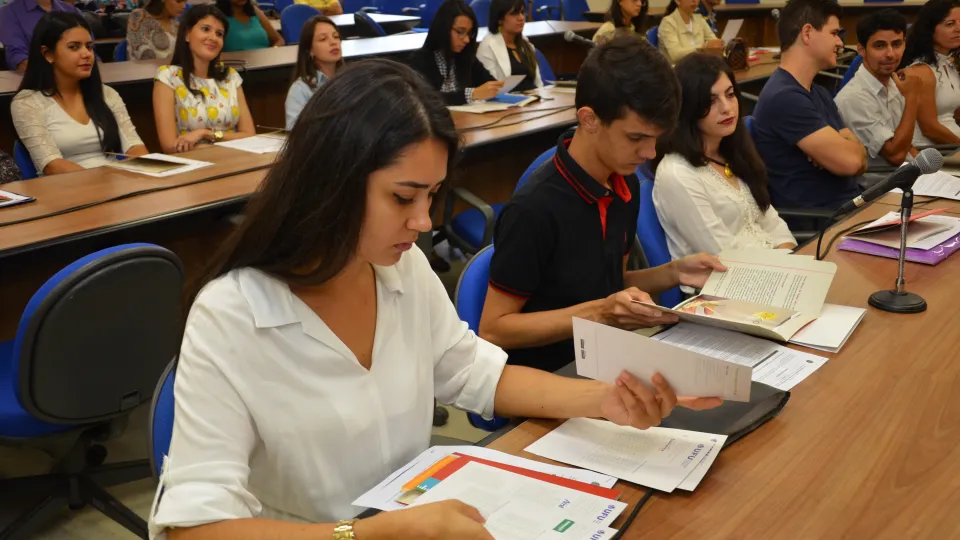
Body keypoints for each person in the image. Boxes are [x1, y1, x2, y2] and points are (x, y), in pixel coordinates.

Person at [146, 58, 722, 540]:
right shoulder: (232, 314)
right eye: (403, 197)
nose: (424, 222)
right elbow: (195, 528)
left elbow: (477, 374)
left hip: (410, 514)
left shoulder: (399, 268)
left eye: (433, 195)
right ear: (332, 184)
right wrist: (375, 533)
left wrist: (606, 399)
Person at [478, 36, 726, 374]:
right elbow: (494, 329)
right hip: (550, 378)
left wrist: (674, 272)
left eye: (657, 138)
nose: (649, 154)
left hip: (607, 361)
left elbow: (609, 284)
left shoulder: (622, 184)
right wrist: (599, 313)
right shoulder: (534, 209)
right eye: (636, 138)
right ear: (589, 119)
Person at [653, 54, 796, 260]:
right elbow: (725, 255)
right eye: (711, 101)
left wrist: (792, 258)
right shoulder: (676, 173)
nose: (727, 108)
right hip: (723, 285)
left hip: (773, 270)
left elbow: (772, 222)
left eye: (730, 95)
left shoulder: (732, 151)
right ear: (689, 108)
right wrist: (787, 266)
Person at [751, 0, 866, 212]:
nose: (840, 43)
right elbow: (851, 162)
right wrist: (842, 146)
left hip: (851, 210)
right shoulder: (784, 97)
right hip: (822, 226)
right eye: (834, 33)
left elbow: (861, 160)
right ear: (807, 33)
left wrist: (838, 148)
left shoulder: (818, 92)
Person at [12, 12, 148, 175]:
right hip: (67, 190)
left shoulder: (107, 94)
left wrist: (150, 171)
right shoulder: (27, 102)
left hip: (114, 183)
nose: (86, 54)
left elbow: (134, 146)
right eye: (74, 47)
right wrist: (104, 183)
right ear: (48, 54)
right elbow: (52, 165)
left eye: (89, 47)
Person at [153, 5, 256, 154]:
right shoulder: (168, 77)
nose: (213, 38)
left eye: (219, 33)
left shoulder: (230, 77)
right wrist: (227, 142)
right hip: (192, 164)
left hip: (234, 159)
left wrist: (208, 134)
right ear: (187, 34)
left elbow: (249, 135)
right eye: (206, 29)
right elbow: (170, 146)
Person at [836, 9, 920, 168]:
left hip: (909, 179)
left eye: (897, 44)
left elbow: (908, 146)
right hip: (880, 187)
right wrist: (912, 98)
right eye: (880, 46)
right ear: (862, 50)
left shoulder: (894, 84)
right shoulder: (854, 98)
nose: (890, 54)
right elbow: (896, 155)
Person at [410, 0, 503, 106]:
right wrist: (471, 94)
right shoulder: (422, 59)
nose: (467, 40)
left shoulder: (466, 57)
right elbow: (426, 98)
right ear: (443, 28)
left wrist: (494, 88)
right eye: (460, 32)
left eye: (469, 33)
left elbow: (488, 83)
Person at [901, 0, 960, 146]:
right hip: (935, 152)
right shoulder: (921, 70)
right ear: (929, 30)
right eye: (950, 24)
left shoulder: (948, 64)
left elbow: (954, 112)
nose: (959, 29)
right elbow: (930, 129)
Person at [285, 15, 343, 130]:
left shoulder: (351, 80)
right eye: (323, 39)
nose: (333, 42)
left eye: (336, 37)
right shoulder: (301, 89)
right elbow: (295, 134)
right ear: (310, 50)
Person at [476, 0, 543, 90]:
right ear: (500, 19)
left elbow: (538, 83)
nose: (521, 18)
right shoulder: (488, 46)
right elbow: (491, 89)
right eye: (514, 14)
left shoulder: (525, 42)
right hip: (507, 102)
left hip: (534, 99)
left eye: (522, 12)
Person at [0, 0, 82, 72]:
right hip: (38, 82)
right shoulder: (9, 12)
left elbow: (89, 48)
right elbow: (17, 56)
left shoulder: (72, 11)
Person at [658, 0, 722, 64]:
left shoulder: (699, 19)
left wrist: (718, 45)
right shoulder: (668, 23)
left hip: (700, 68)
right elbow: (675, 55)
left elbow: (715, 43)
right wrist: (703, 47)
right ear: (677, 1)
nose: (694, 1)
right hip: (677, 70)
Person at [216, 0, 284, 52]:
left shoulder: (255, 11)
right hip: (236, 66)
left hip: (265, 63)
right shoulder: (217, 16)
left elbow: (279, 40)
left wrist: (272, 52)